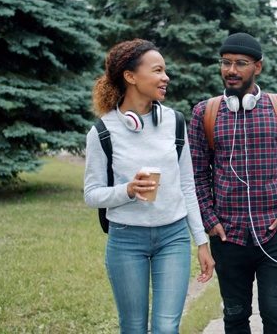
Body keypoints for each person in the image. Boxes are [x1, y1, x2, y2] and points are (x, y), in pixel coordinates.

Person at [83, 39, 214, 333]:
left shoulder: (176, 123)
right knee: (133, 326)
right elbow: (92, 195)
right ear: (131, 76)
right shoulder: (102, 131)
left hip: (174, 237)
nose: (165, 77)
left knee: (167, 328)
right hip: (126, 240)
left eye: (165, 70)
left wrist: (201, 242)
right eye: (157, 70)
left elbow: (187, 185)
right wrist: (127, 190)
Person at [189, 32, 277, 333]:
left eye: (241, 63)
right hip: (228, 235)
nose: (231, 70)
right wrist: (209, 218)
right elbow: (197, 174)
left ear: (258, 66)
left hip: (275, 234)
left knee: (275, 314)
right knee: (234, 316)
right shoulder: (205, 112)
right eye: (226, 63)